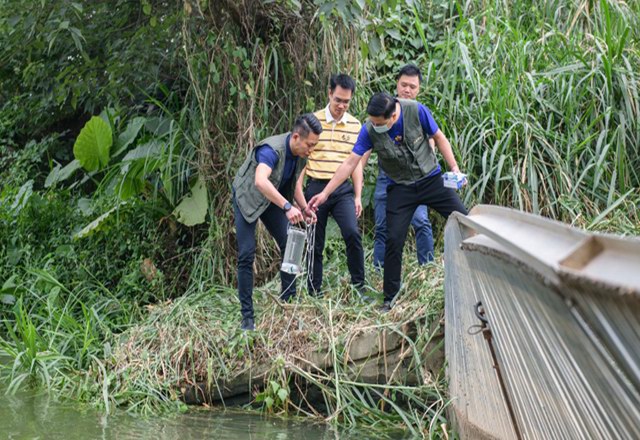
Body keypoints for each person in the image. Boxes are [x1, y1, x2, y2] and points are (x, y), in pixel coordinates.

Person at [309, 92, 468, 312]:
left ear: (393, 116)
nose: (375, 126)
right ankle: (390, 297)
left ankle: (480, 269)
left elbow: (439, 137)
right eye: (372, 121)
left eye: (379, 123)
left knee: (464, 220)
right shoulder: (369, 129)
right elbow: (350, 163)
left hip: (430, 179)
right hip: (401, 188)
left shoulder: (415, 110)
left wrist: (454, 169)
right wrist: (325, 193)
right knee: (393, 240)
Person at [232, 114, 322, 331]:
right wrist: (287, 207)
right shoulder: (271, 150)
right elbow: (260, 181)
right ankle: (247, 318)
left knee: (291, 242)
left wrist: (303, 208)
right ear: (296, 137)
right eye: (310, 145)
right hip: (249, 197)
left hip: (273, 198)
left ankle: (288, 302)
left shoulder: (301, 154)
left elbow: (294, 185)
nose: (311, 150)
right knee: (246, 253)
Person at [296, 74, 365, 297]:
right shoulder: (313, 122)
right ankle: (314, 290)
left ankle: (359, 287)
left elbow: (355, 164)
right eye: (338, 100)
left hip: (342, 190)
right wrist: (299, 198)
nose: (341, 106)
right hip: (315, 188)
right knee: (315, 240)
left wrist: (357, 196)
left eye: (346, 101)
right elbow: (302, 159)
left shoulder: (355, 125)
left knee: (352, 234)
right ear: (329, 94)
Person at [373, 64, 434, 268]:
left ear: (419, 89)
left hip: (415, 179)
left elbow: (432, 140)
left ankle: (427, 268)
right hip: (386, 177)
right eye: (404, 85)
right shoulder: (384, 108)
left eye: (412, 87)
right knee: (382, 225)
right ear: (396, 84)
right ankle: (379, 270)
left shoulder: (419, 111)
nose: (407, 90)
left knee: (421, 222)